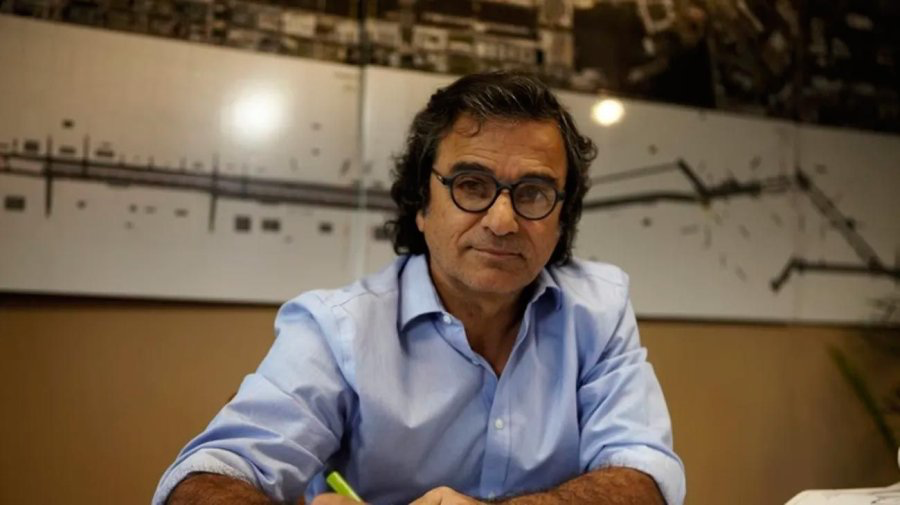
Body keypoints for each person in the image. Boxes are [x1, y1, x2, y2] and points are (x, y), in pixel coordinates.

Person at [154, 72, 685, 505]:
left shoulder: (599, 308)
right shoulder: (336, 329)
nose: (503, 221)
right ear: (421, 204)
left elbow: (645, 475)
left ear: (561, 217)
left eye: (532, 193)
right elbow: (203, 480)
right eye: (471, 185)